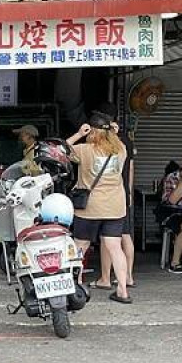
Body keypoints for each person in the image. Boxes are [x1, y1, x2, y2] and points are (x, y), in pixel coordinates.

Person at [66, 112, 131, 304]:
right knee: (115, 248)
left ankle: (75, 286)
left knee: (80, 246)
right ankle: (122, 290)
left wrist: (78, 134)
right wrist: (115, 134)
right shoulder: (121, 149)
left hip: (89, 208)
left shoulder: (85, 150)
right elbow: (115, 142)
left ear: (91, 131)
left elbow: (60, 150)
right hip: (114, 208)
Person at [92, 103, 136, 290]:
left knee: (108, 238)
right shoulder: (125, 140)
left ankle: (105, 278)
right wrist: (130, 192)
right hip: (123, 193)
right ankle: (128, 277)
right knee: (125, 236)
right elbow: (131, 168)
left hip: (108, 195)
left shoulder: (100, 143)